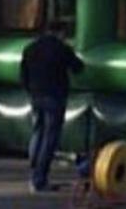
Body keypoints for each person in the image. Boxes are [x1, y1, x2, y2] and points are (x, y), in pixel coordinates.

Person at [20, 28, 84, 194]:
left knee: (38, 131)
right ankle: (39, 179)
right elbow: (78, 67)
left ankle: (33, 170)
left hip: (36, 95)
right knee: (50, 137)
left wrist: (30, 90)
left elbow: (23, 75)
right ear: (60, 33)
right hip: (55, 95)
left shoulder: (30, 48)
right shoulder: (61, 48)